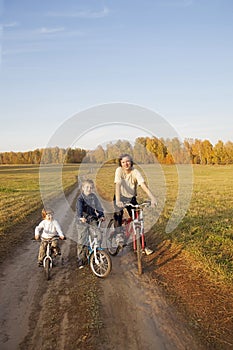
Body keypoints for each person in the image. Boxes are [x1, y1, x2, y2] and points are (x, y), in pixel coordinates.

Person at [114, 153, 157, 255]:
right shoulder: (119, 170)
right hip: (119, 196)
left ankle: (143, 246)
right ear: (120, 163)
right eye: (123, 162)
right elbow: (118, 185)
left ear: (131, 162)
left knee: (138, 220)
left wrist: (152, 198)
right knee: (118, 214)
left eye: (128, 161)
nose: (126, 164)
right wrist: (118, 200)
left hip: (131, 198)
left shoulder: (135, 171)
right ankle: (118, 235)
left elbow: (143, 184)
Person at [76, 179, 105, 269]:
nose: (89, 189)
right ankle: (81, 259)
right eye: (87, 187)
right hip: (82, 221)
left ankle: (97, 252)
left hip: (92, 218)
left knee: (98, 235)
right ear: (83, 188)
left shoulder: (93, 197)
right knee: (82, 240)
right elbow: (79, 209)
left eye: (91, 187)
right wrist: (81, 217)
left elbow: (98, 206)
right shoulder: (80, 199)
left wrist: (101, 215)